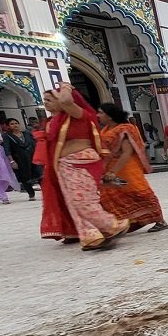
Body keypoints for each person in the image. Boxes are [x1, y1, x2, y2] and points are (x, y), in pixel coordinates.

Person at [39, 84, 128, 251]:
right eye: (44, 100)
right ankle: (90, 235)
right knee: (73, 202)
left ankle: (113, 225)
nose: (46, 103)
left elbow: (66, 101)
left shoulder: (78, 114)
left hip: (81, 161)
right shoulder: (52, 122)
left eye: (50, 99)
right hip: (63, 165)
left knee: (82, 200)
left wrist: (65, 87)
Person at [97, 103, 168, 233]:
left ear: (110, 116)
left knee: (140, 192)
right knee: (113, 196)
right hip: (110, 167)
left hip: (127, 167)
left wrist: (114, 172)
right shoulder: (105, 130)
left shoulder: (124, 129)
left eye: (101, 113)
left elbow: (127, 152)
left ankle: (160, 220)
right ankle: (126, 222)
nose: (98, 115)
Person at [2, 117, 40, 201]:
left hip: (32, 156)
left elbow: (35, 143)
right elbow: (7, 149)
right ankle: (31, 194)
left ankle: (45, 193)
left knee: (40, 175)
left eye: (16, 123)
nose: (15, 125)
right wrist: (12, 161)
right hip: (20, 159)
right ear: (8, 126)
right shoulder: (7, 136)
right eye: (12, 124)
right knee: (25, 177)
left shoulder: (26, 133)